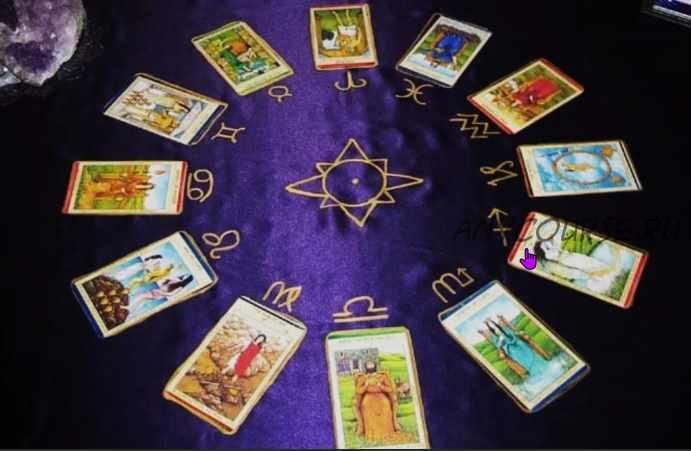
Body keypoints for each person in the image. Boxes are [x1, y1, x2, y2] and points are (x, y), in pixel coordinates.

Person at [352, 360, 400, 442]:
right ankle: (371, 434)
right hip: (368, 399)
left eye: (371, 364)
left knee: (385, 405)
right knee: (366, 407)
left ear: (375, 366)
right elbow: (358, 391)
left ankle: (387, 432)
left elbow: (389, 389)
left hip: (381, 398)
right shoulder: (363, 377)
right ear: (366, 367)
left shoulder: (382, 376)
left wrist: (381, 386)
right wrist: (365, 386)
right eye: (368, 364)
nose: (370, 366)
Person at [124, 274, 194, 317]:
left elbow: (171, 294)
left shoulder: (180, 286)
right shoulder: (177, 279)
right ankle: (130, 312)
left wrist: (161, 292)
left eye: (187, 276)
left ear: (187, 280)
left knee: (141, 296)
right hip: (158, 291)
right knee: (142, 300)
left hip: (158, 294)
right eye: (186, 274)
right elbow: (166, 280)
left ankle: (128, 308)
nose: (185, 276)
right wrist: (162, 285)